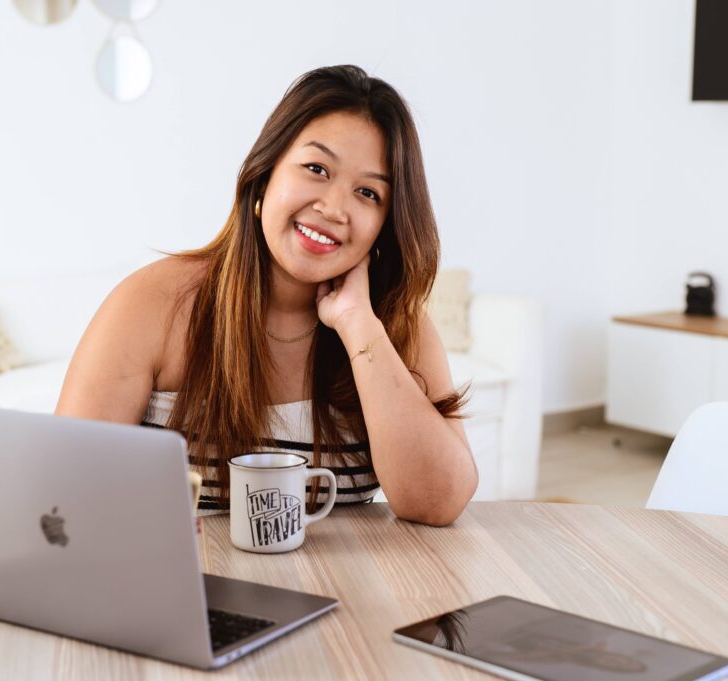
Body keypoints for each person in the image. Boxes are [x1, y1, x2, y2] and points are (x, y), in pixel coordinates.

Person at [56, 65, 477, 526]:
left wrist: (358, 324)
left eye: (367, 193)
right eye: (317, 169)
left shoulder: (393, 325)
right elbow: (64, 494)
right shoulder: (154, 303)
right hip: (186, 590)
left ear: (386, 222)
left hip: (345, 593)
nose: (333, 208)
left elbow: (438, 502)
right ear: (265, 175)